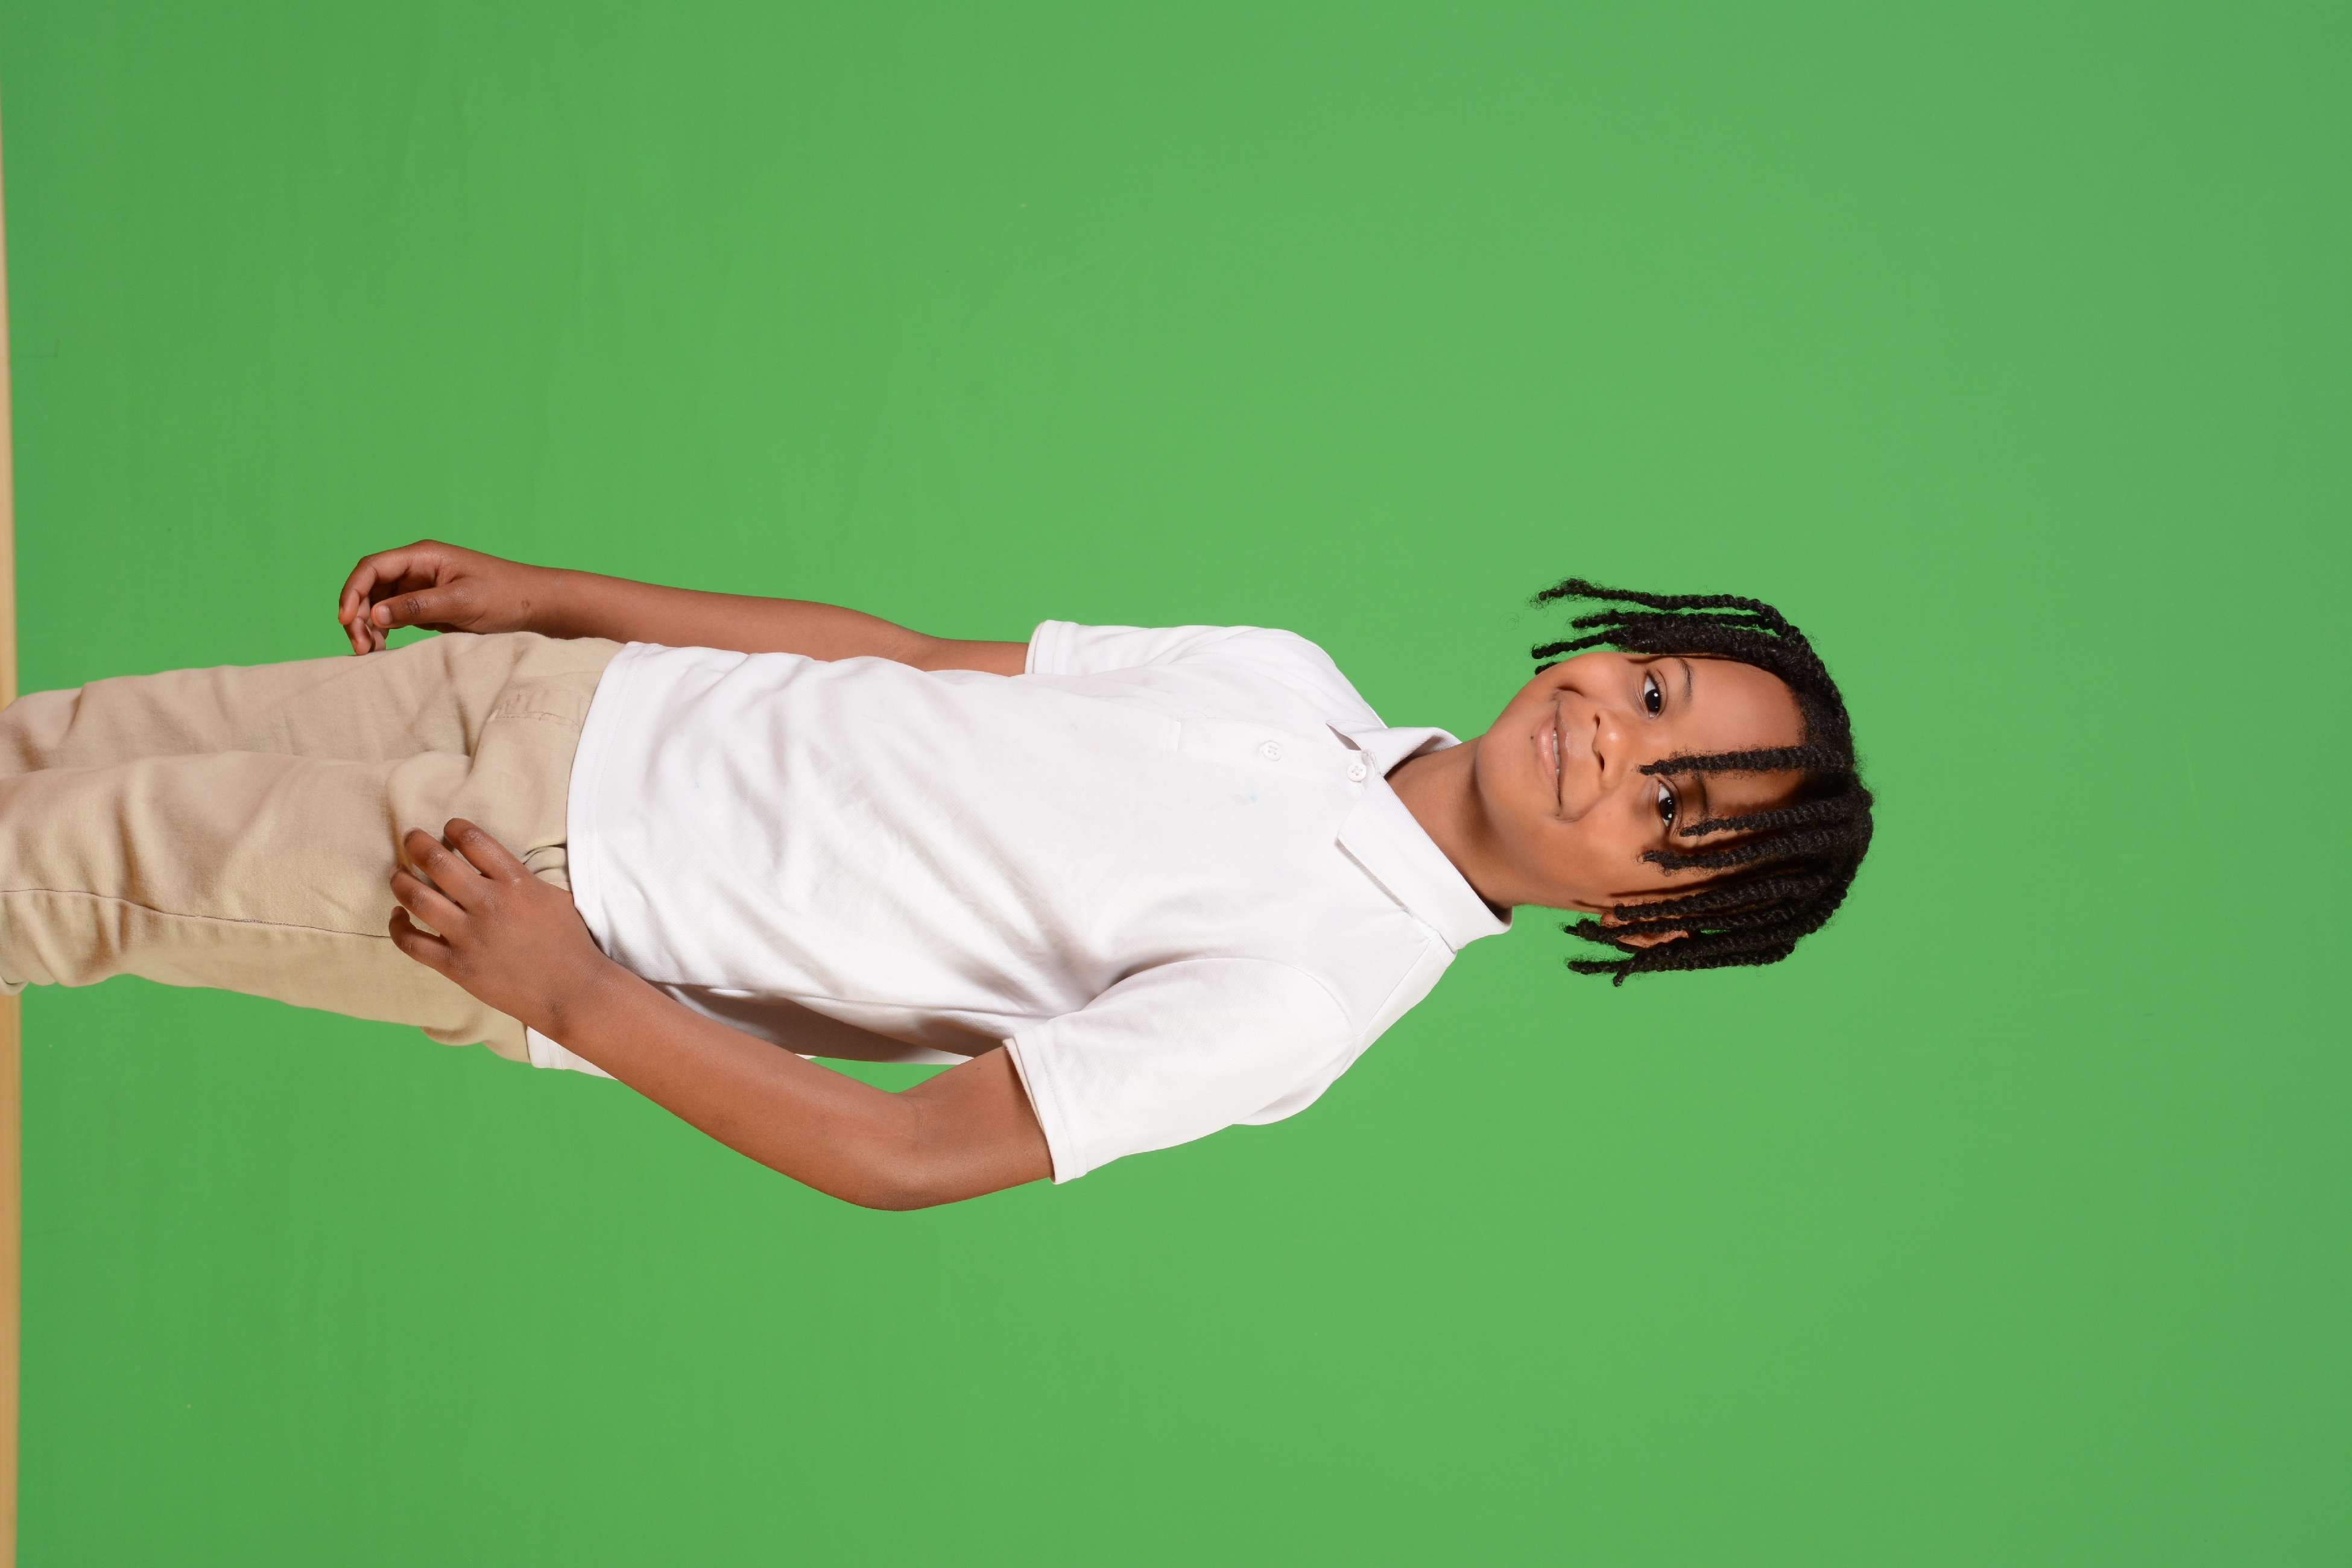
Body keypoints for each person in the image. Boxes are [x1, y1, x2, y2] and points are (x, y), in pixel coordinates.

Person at [0, 542, 1873, 1207]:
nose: (1612, 740)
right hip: (574, 703)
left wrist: (567, 984)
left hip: (539, 887)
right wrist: (559, 602)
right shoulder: (1281, 678)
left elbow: (905, 1154)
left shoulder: (1309, 989)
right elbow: (897, 661)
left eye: (1672, 808)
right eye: (1650, 692)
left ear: (1648, 914)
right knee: (55, 752)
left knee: (57, 870)